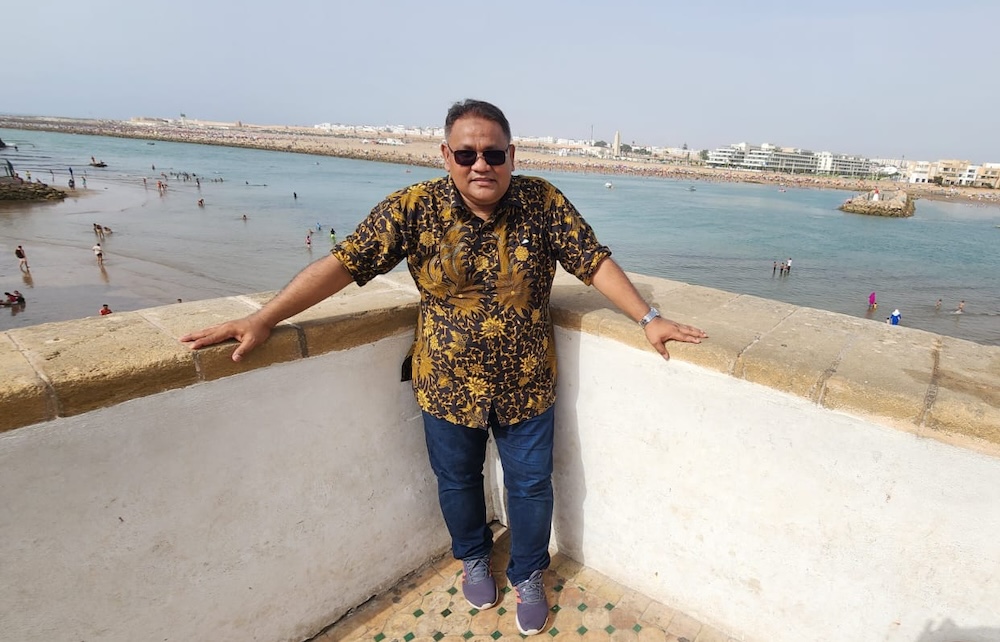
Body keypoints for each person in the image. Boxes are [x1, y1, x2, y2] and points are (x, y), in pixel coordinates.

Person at [180, 99, 707, 637]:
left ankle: (528, 573)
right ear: (445, 155)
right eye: (466, 153)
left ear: (511, 156)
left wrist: (649, 318)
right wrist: (264, 318)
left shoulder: (542, 201)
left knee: (530, 486)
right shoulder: (414, 208)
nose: (481, 165)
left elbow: (592, 260)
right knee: (456, 480)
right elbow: (343, 264)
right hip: (446, 385)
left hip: (527, 384)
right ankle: (474, 556)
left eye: (493, 154)